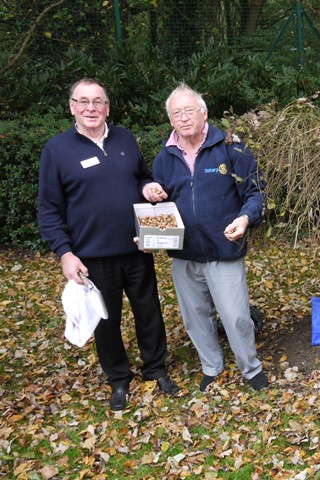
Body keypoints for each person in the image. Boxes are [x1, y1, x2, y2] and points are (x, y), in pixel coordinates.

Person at [38, 78, 180, 411]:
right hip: (91, 257)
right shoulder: (57, 150)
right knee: (106, 321)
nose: (91, 108)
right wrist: (65, 253)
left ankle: (155, 369)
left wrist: (148, 188)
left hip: (136, 248)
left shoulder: (125, 139)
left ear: (107, 107)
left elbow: (142, 176)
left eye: (98, 101)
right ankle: (118, 379)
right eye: (83, 101)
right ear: (72, 106)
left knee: (149, 312)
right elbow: (48, 209)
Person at [143, 83, 268, 392]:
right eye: (176, 113)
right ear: (170, 119)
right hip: (184, 254)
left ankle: (250, 368)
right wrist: (152, 195)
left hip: (223, 249)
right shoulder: (164, 157)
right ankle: (211, 366)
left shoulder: (232, 147)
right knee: (196, 317)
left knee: (236, 316)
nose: (184, 118)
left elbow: (255, 193)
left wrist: (245, 218)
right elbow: (162, 204)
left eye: (189, 110)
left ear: (204, 113)